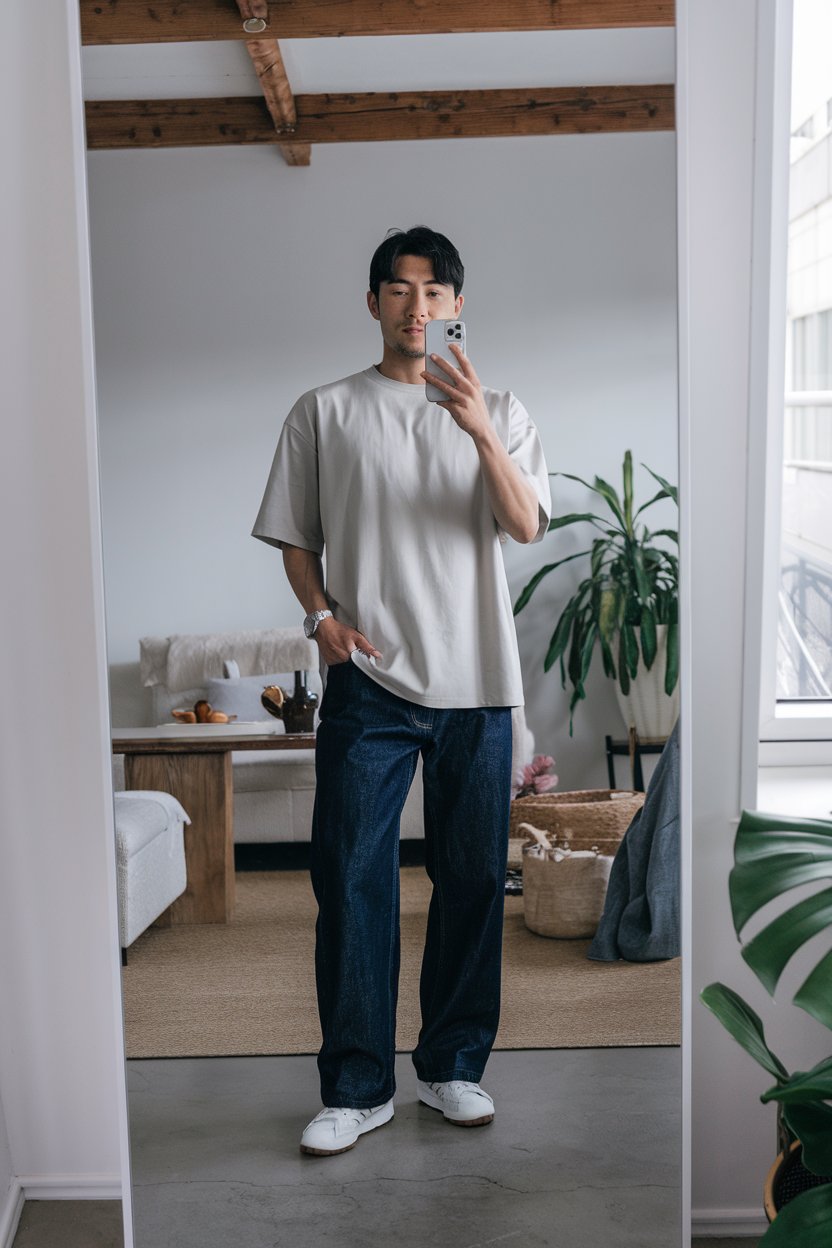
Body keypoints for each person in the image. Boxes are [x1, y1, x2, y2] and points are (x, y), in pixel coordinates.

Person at [252, 225, 551, 1157]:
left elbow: (525, 525)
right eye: (398, 290)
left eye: (433, 292)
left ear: (457, 305)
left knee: (471, 880)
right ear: (373, 302)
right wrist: (319, 619)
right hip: (368, 681)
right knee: (350, 880)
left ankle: (452, 1067)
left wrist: (476, 429)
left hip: (478, 681)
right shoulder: (324, 410)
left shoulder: (502, 408)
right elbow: (295, 534)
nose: (416, 307)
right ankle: (356, 1088)